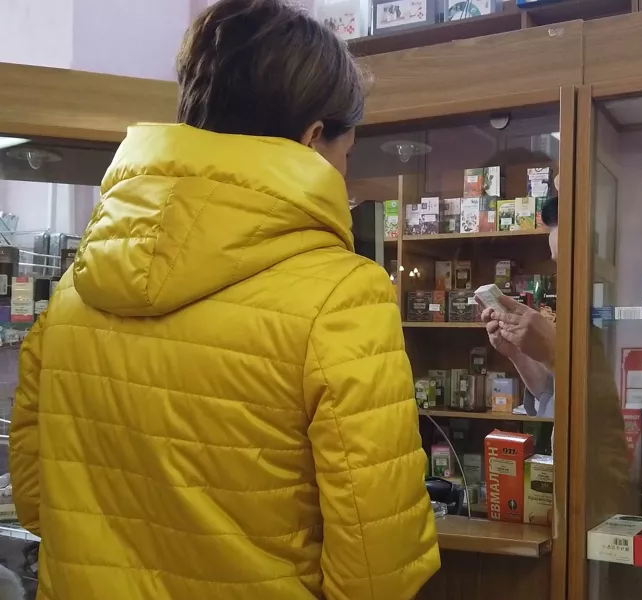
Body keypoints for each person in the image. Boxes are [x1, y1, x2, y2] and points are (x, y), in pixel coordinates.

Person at [8, 1, 439, 599]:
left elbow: (34, 499)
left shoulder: (74, 292)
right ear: (313, 138)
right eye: (347, 155)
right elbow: (377, 571)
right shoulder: (343, 297)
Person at [479, 186, 639, 526]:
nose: (561, 275)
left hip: (600, 505)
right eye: (557, 264)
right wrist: (515, 351)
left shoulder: (608, 322)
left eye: (566, 262)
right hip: (564, 497)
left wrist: (553, 352)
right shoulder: (572, 314)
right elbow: (549, 394)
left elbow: (600, 413)